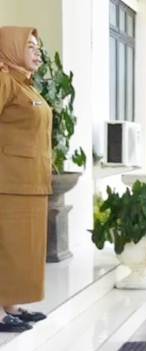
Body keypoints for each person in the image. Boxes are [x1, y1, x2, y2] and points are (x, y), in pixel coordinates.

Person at [0, 27, 50, 332]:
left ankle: (11, 305)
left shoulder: (26, 86)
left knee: (21, 250)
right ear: (12, 48)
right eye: (29, 46)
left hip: (31, 181)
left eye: (37, 46)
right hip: (10, 182)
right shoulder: (4, 80)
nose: (37, 52)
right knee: (7, 249)